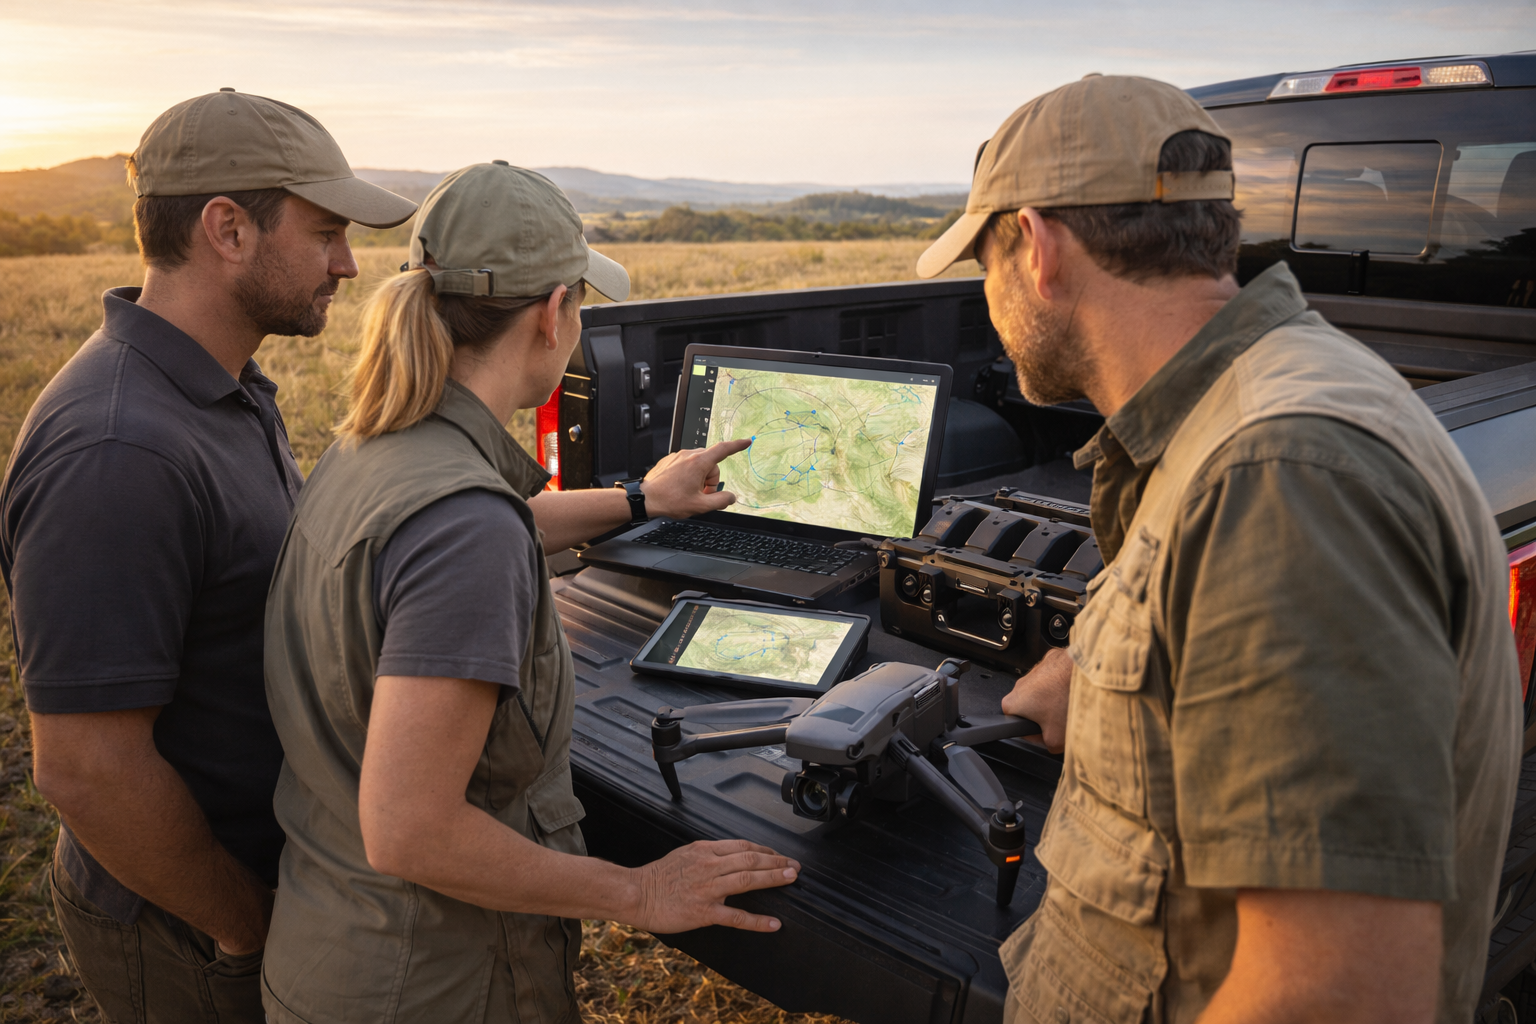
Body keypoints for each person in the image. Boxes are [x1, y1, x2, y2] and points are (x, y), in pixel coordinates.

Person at [917, 75, 1521, 1024]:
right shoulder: (1239, 412)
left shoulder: (1279, 477)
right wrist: (1099, 685)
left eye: (984, 260)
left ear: (1037, 247)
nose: (987, 297)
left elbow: (1339, 995)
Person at [260, 161, 799, 1023]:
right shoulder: (462, 526)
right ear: (553, 315)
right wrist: (638, 893)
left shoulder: (375, 451)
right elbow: (411, 830)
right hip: (435, 988)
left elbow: (489, 524)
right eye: (579, 306)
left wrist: (641, 500)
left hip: (336, 949)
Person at [0, 90, 416, 1021]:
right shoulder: (119, 450)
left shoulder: (217, 387)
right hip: (188, 924)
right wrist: (245, 926)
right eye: (325, 233)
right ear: (228, 229)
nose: (348, 264)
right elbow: (86, 768)